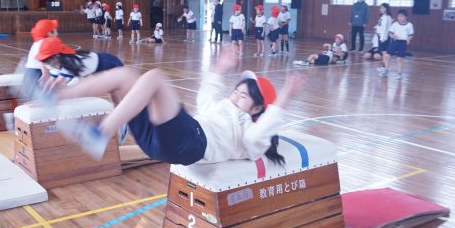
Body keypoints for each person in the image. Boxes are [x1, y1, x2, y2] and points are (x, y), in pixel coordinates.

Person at [53, 48, 305, 164]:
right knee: (126, 75)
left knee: (155, 78)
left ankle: (100, 133)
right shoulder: (221, 108)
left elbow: (260, 134)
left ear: (257, 109)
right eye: (236, 91)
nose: (235, 96)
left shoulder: (250, 132)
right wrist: (220, 67)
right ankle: (61, 95)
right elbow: (206, 95)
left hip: (191, 143)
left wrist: (283, 99)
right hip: (161, 140)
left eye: (243, 97)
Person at [380, 10, 414, 80]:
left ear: (406, 17)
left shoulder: (409, 25)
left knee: (399, 59)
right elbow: (390, 33)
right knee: (387, 56)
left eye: (402, 16)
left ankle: (399, 73)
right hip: (394, 42)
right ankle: (386, 70)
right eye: (398, 16)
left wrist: (409, 39)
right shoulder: (395, 24)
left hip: (402, 43)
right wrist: (393, 36)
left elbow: (411, 34)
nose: (400, 18)